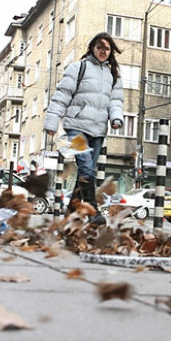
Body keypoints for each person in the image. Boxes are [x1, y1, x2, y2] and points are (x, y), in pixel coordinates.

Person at [44, 32, 124, 225]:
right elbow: (62, 95)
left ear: (110, 51)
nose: (103, 51)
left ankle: (71, 209)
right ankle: (93, 210)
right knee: (87, 167)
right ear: (92, 48)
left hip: (97, 130)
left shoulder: (113, 75)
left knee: (84, 172)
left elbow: (115, 101)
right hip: (76, 127)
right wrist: (52, 123)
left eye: (107, 48)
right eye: (99, 47)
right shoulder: (79, 68)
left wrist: (116, 118)